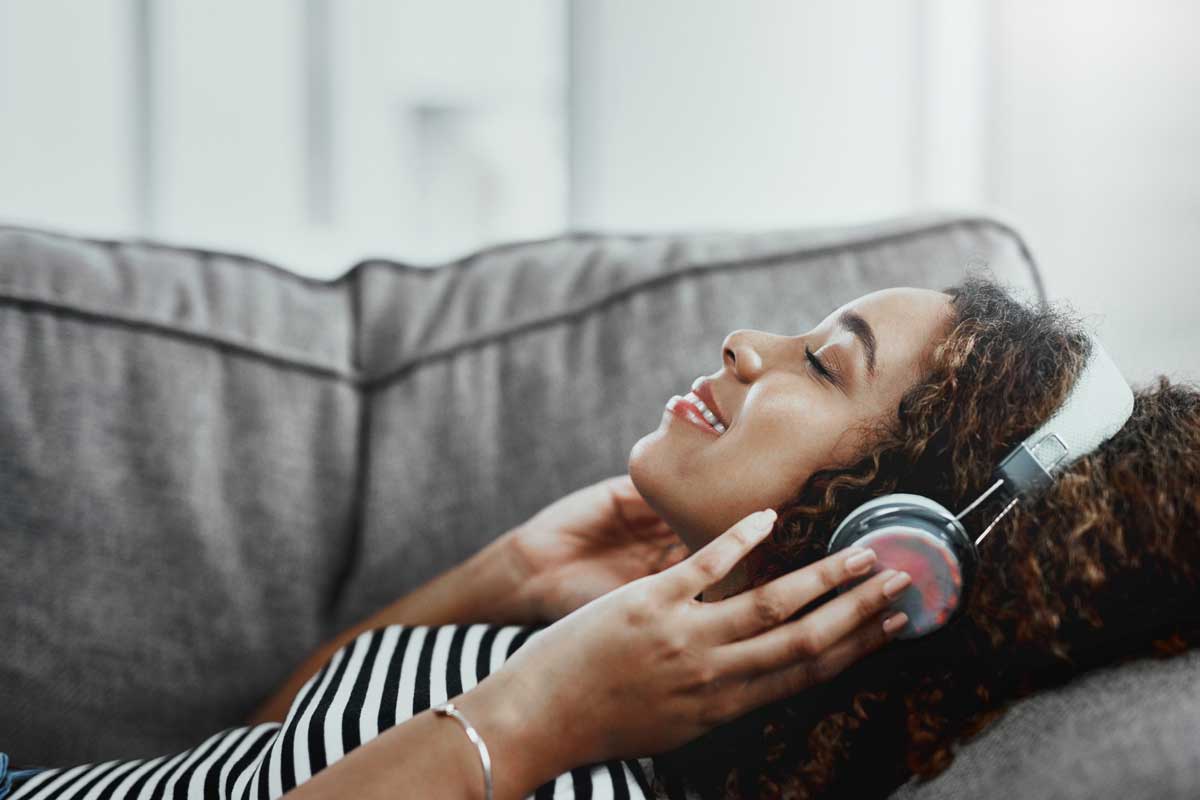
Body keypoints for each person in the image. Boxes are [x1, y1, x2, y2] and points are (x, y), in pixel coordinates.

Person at [5, 274, 1196, 799]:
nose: (744, 341)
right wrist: (509, 576)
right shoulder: (597, 647)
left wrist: (538, 716)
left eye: (821, 361)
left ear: (899, 545)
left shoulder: (596, 737)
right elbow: (258, 756)